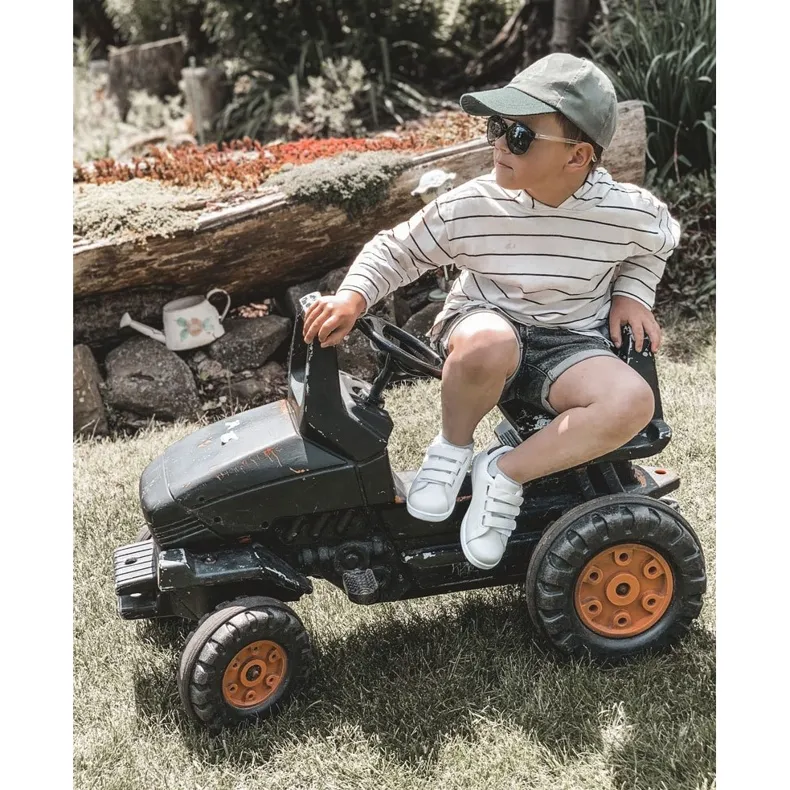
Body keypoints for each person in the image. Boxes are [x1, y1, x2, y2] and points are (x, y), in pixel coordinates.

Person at [302, 53, 680, 571]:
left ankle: (504, 473)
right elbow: (398, 249)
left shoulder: (627, 212)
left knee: (633, 401)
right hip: (485, 318)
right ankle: (451, 449)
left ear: (577, 157)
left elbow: (655, 244)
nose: (500, 143)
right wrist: (353, 296)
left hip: (571, 342)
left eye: (520, 135)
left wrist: (632, 294)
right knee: (488, 342)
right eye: (496, 127)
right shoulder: (473, 206)